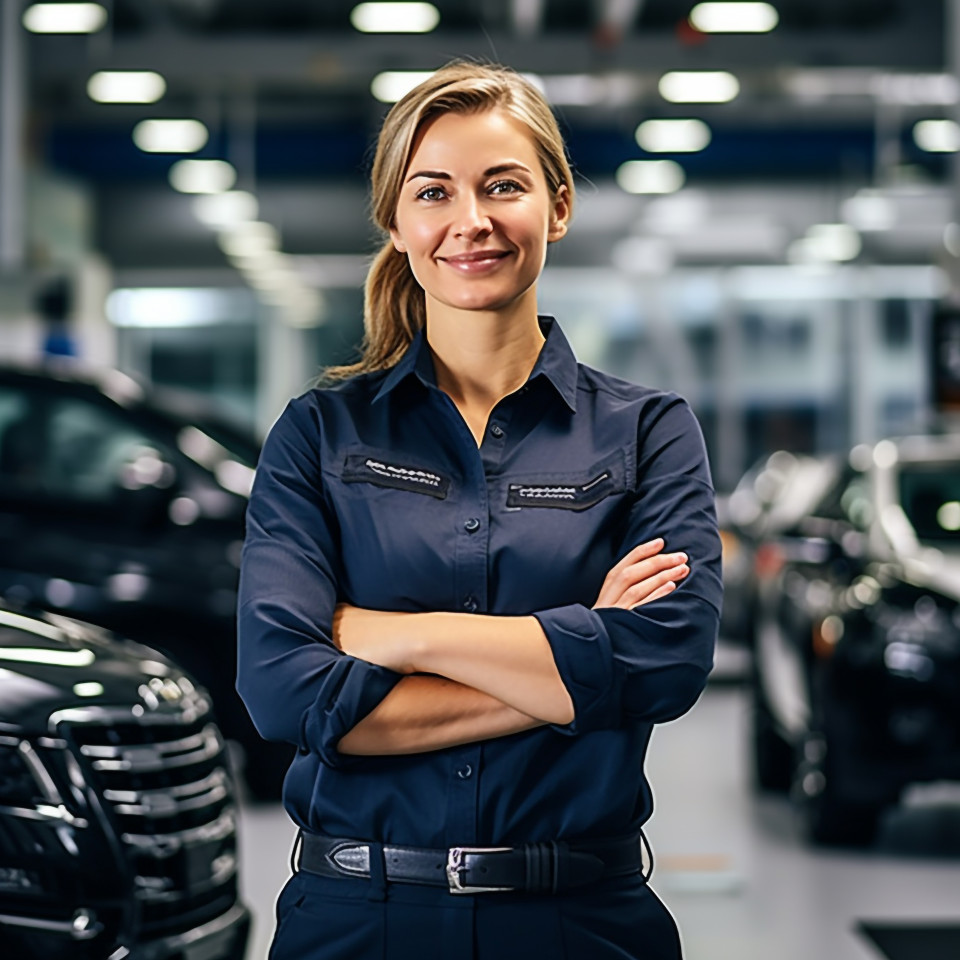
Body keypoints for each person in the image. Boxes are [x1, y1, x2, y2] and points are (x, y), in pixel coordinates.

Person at [237, 59, 722, 960]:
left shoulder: (648, 431)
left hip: (580, 922)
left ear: (559, 205)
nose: (472, 221)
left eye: (505, 186)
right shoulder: (318, 434)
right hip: (357, 921)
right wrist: (578, 661)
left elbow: (662, 664)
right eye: (434, 192)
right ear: (395, 221)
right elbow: (282, 692)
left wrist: (391, 634)